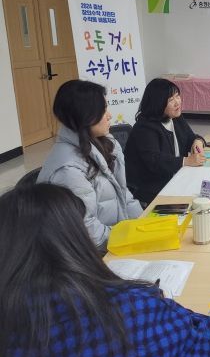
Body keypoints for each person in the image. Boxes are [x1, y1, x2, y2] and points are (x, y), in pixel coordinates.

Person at [0, 183, 210, 357]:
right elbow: (204, 337)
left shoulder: (13, 328)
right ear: (76, 238)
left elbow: (126, 196)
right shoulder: (133, 309)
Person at [38, 80, 142, 249]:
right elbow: (87, 231)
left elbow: (123, 194)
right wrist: (130, 238)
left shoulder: (105, 144)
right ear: (84, 115)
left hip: (115, 240)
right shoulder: (68, 170)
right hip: (93, 253)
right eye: (103, 110)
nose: (109, 115)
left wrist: (143, 225)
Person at [124, 78, 207, 204]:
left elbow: (190, 137)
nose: (177, 102)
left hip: (176, 180)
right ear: (158, 103)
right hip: (152, 190)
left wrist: (198, 141)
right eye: (170, 100)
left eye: (177, 96)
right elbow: (155, 161)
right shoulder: (145, 128)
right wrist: (186, 161)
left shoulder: (175, 117)